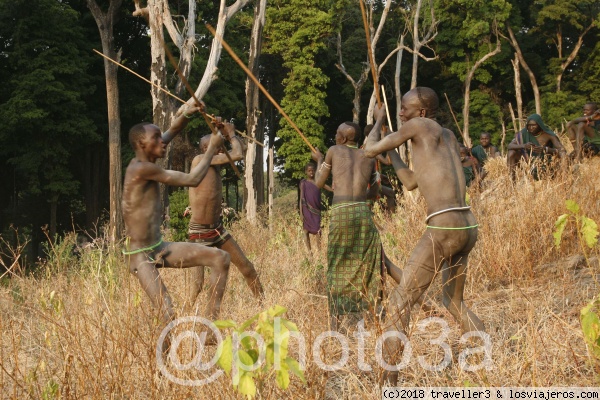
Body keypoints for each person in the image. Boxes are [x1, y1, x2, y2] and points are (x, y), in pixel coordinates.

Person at [364, 87, 485, 384]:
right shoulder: (445, 135)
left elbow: (367, 149)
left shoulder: (417, 125)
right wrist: (391, 149)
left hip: (443, 226)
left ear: (420, 112)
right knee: (454, 303)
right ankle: (485, 357)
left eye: (404, 108)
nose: (400, 113)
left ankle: (388, 381)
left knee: (398, 302)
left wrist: (379, 122)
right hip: (466, 225)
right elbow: (410, 182)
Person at [122, 105, 230, 351]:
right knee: (168, 313)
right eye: (156, 139)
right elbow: (192, 179)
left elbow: (171, 129)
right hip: (141, 255)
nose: (163, 142)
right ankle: (160, 370)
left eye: (161, 138)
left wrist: (189, 112)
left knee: (220, 258)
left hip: (159, 246)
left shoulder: (147, 154)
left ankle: (209, 331)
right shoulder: (142, 168)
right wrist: (212, 147)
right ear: (142, 145)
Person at [310, 122, 384, 331]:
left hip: (341, 211)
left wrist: (320, 160)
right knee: (366, 263)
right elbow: (376, 189)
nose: (335, 136)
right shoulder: (368, 155)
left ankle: (336, 322)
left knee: (337, 261)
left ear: (342, 139)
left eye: (336, 133)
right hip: (362, 211)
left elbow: (318, 182)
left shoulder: (333, 151)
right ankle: (371, 315)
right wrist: (360, 197)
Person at [187, 121, 264, 309]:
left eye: (223, 148)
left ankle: (264, 307)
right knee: (197, 286)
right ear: (207, 148)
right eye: (219, 148)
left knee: (247, 268)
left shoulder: (215, 162)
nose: (223, 151)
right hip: (199, 233)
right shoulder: (200, 160)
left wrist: (225, 131)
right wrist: (229, 134)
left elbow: (240, 149)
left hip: (217, 229)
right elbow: (237, 154)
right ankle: (184, 314)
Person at [507, 113, 566, 179]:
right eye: (529, 125)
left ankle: (562, 176)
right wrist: (524, 146)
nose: (531, 127)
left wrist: (546, 150)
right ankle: (512, 182)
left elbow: (562, 150)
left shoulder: (548, 134)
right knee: (511, 152)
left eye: (533, 125)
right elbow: (510, 146)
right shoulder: (524, 133)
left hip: (545, 163)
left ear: (540, 125)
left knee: (562, 155)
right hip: (528, 163)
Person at [299, 162, 331, 253]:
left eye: (312, 170)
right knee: (305, 231)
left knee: (318, 231)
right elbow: (301, 199)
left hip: (316, 211)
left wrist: (334, 190)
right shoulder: (303, 183)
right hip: (306, 210)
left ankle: (319, 251)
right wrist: (301, 213)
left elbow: (326, 186)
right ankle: (310, 252)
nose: (311, 173)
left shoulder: (318, 182)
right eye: (309, 171)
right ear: (306, 172)